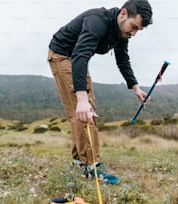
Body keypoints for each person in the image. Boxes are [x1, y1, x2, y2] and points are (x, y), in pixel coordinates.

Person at [47, 0, 153, 184]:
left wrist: (136, 88)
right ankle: (91, 166)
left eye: (138, 31)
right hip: (63, 55)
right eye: (133, 27)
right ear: (123, 14)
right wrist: (81, 99)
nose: (133, 33)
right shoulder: (98, 21)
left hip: (77, 59)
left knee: (89, 110)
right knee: (82, 111)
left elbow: (122, 59)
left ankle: (79, 162)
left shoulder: (121, 32)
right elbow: (80, 55)